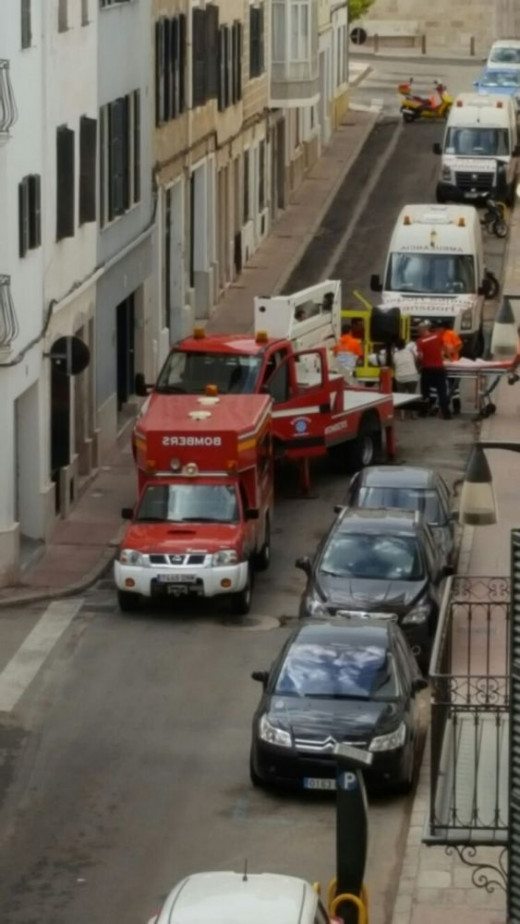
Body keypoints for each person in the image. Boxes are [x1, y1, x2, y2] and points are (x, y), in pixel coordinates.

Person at [417, 321, 452, 419]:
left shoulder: (420, 341)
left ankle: (423, 412)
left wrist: (419, 363)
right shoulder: (437, 336)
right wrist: (450, 358)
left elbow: (420, 356)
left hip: (427, 369)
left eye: (419, 330)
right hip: (439, 369)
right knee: (442, 391)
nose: (418, 332)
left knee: (425, 391)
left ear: (423, 330)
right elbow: (445, 348)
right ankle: (446, 414)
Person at [440, 324, 463, 414]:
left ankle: (456, 407)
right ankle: (444, 406)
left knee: (454, 387)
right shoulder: (438, 336)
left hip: (453, 363)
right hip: (444, 363)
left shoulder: (451, 334)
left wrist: (452, 353)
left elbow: (460, 345)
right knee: (445, 386)